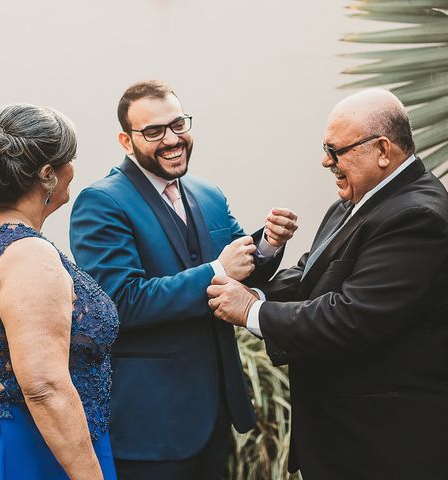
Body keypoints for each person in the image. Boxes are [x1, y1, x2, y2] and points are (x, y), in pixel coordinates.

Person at [207, 89, 448, 479]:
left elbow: (353, 316)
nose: (326, 161)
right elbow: (313, 276)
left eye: (335, 150)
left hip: (400, 445)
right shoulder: (356, 200)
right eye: (325, 148)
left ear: (383, 150)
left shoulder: (418, 217)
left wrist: (253, 311)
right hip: (356, 439)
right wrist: (257, 290)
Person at [69, 80, 298, 479]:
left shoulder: (207, 193)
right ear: (126, 140)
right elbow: (121, 302)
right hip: (151, 423)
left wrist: (267, 247)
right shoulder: (102, 202)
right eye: (154, 131)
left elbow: (239, 270)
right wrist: (218, 270)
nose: (172, 139)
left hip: (215, 413)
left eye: (178, 125)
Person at [0, 104, 118, 480]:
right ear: (47, 174)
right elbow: (45, 387)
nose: (72, 170)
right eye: (69, 160)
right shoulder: (30, 257)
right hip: (27, 448)